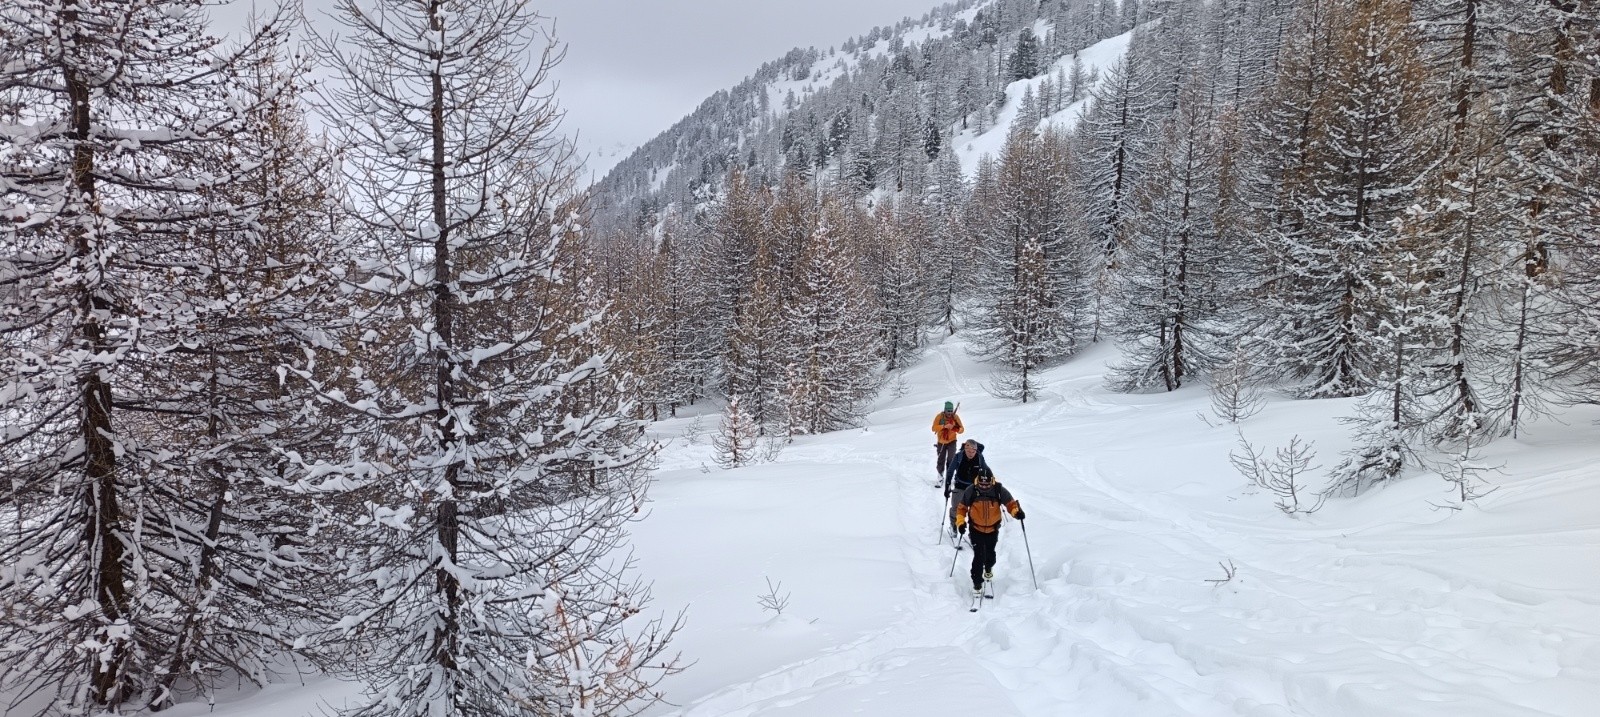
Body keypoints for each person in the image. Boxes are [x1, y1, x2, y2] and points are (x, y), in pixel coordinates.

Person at [955, 466, 1025, 594]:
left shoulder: (998, 490)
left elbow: (1010, 504)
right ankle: (977, 583)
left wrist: (1016, 513)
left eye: (987, 484)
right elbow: (961, 508)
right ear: (978, 481)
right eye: (982, 483)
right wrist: (960, 523)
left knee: (990, 554)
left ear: (991, 480)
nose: (984, 486)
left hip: (993, 529)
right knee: (978, 556)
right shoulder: (971, 490)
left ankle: (988, 568)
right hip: (976, 528)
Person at [942, 439, 987, 535]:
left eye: (973, 451)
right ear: (965, 450)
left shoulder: (979, 457)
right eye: (968, 451)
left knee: (975, 510)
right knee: (956, 508)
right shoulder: (959, 456)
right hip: (959, 486)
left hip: (973, 488)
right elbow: (950, 471)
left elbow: (986, 471)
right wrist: (947, 486)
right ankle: (953, 526)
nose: (971, 453)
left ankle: (973, 531)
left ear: (976, 450)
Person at [931, 401, 963, 480]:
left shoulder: (955, 417)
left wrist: (954, 428)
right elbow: (933, 428)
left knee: (951, 459)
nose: (950, 413)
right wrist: (944, 426)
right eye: (948, 411)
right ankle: (940, 475)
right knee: (941, 459)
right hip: (941, 442)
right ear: (944, 410)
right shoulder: (939, 417)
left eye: (951, 411)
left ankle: (950, 474)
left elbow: (962, 429)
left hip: (952, 441)